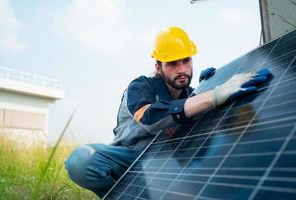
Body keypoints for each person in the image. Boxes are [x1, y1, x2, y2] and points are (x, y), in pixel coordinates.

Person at [65, 26, 273, 198]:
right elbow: (150, 117)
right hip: (131, 159)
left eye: (186, 60)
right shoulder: (140, 87)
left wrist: (212, 87)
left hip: (170, 164)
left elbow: (219, 129)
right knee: (81, 160)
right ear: (158, 66)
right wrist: (213, 95)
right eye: (172, 63)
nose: (182, 69)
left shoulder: (194, 95)